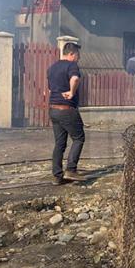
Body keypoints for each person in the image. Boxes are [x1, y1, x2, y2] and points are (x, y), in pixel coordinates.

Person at [47, 41, 85, 185]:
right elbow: (75, 78)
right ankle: (71, 169)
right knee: (79, 138)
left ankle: (57, 176)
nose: (78, 58)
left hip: (53, 109)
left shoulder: (52, 68)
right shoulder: (72, 65)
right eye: (78, 55)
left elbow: (50, 90)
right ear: (71, 54)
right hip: (67, 109)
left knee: (59, 143)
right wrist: (71, 92)